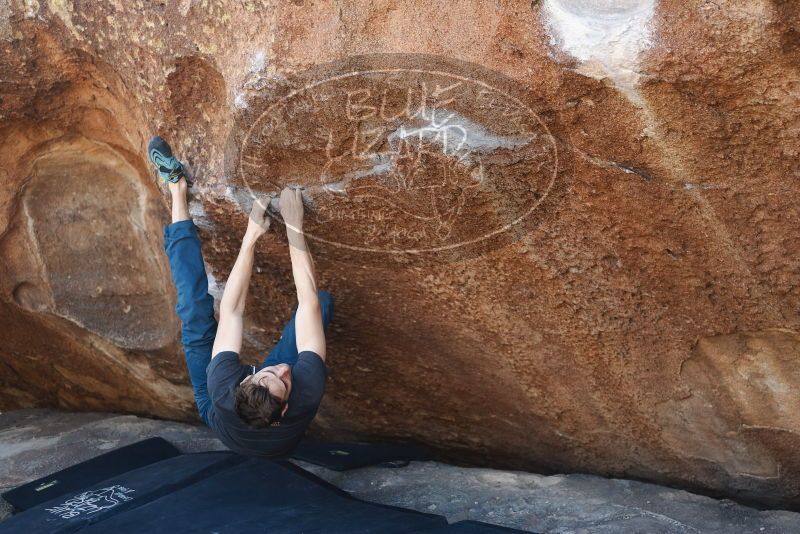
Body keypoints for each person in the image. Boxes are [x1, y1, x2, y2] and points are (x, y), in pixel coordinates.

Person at [150, 136, 333, 458]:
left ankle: (176, 188)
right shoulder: (307, 389)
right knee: (322, 304)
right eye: (281, 379)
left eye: (270, 372)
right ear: (288, 405)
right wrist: (294, 225)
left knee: (194, 311)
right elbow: (309, 304)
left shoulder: (220, 386)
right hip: (268, 436)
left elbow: (231, 311)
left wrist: (251, 236)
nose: (283, 370)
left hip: (214, 410)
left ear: (242, 382)